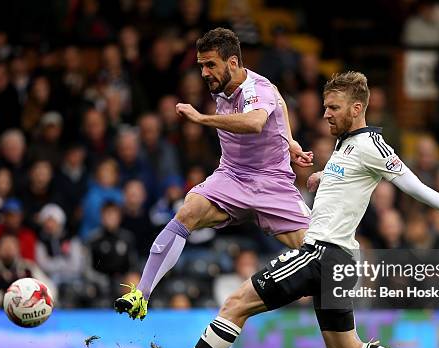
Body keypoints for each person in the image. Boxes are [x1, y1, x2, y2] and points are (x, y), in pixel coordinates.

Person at [132, 72, 439, 348]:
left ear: (357, 108)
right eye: (326, 106)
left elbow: (415, 186)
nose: (325, 113)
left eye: (333, 107)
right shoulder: (347, 147)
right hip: (341, 262)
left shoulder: (370, 146)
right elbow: (346, 185)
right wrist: (321, 177)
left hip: (322, 254)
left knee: (236, 304)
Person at [115, 28, 313, 319]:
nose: (205, 72)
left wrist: (201, 118)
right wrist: (291, 139)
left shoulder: (256, 89)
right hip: (231, 176)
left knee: (318, 253)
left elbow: (257, 122)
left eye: (210, 65)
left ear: (232, 63)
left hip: (272, 183)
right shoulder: (224, 86)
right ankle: (142, 295)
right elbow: (281, 103)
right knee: (187, 212)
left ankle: (345, 336)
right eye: (201, 65)